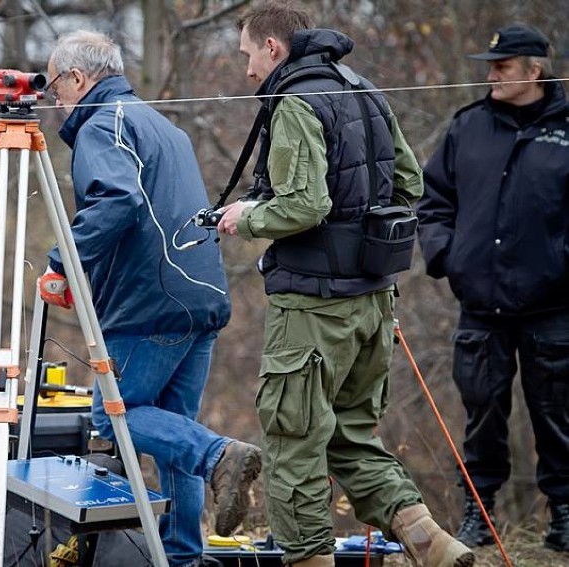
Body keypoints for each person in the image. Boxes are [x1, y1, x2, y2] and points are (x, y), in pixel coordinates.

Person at [217, 2, 475, 566]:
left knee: (294, 445)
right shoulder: (363, 89)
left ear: (273, 48)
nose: (247, 71)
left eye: (248, 56)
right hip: (374, 304)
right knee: (351, 438)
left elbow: (305, 206)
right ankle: (435, 546)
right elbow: (409, 181)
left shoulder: (294, 101)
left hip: (313, 307)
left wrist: (245, 218)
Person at [37, 31, 262, 567]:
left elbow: (118, 200)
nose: (53, 101)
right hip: (201, 296)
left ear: (76, 77)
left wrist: (62, 262)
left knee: (114, 415)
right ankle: (184, 556)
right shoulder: (164, 126)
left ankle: (219, 455)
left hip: (149, 303)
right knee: (173, 427)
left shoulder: (101, 124)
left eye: (53, 88)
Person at [417, 22, 569, 553]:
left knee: (558, 415)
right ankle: (479, 519)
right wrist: (448, 257)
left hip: (554, 307)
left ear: (535, 71)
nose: (492, 74)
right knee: (482, 415)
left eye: (503, 67)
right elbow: (433, 201)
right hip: (481, 306)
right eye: (490, 66)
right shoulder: (468, 128)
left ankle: (565, 523)